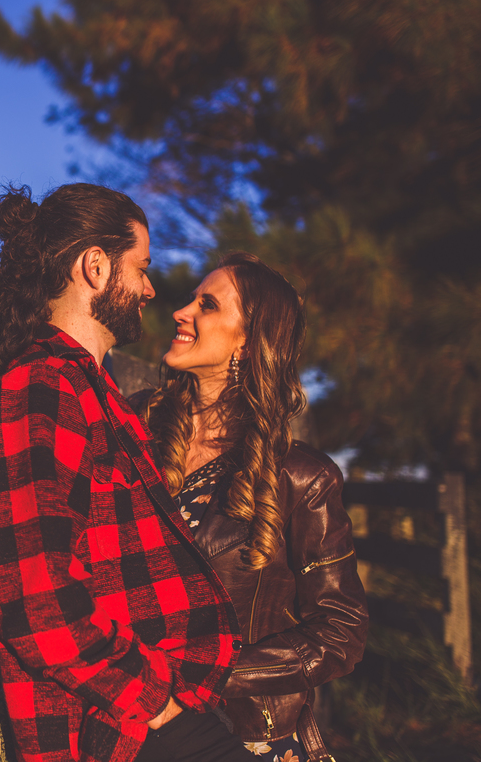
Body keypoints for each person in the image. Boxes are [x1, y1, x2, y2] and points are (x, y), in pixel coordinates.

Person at [0, 183, 253, 762]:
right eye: (141, 268)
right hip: (117, 729)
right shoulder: (43, 386)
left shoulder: (95, 393)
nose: (150, 289)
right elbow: (34, 597)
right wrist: (161, 707)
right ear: (96, 267)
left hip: (152, 709)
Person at [136, 252, 368, 761]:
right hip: (126, 719)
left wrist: (211, 671)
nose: (180, 312)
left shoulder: (302, 477)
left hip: (244, 733)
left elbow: (341, 630)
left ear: (247, 340)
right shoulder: (135, 427)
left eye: (208, 305)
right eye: (191, 299)